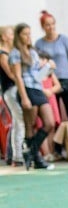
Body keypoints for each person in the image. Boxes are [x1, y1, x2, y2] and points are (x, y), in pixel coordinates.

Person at [10, 23, 58, 170]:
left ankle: (30, 152)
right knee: (30, 124)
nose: (28, 37)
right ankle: (37, 159)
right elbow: (18, 76)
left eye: (29, 33)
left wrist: (48, 67)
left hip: (38, 87)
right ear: (18, 36)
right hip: (26, 88)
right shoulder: (16, 53)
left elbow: (38, 73)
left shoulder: (33, 52)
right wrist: (24, 97)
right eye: (25, 34)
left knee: (49, 122)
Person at [35, 11, 68, 122]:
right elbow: (37, 63)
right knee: (55, 114)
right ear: (43, 27)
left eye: (52, 24)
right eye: (47, 25)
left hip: (66, 79)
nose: (51, 27)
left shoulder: (64, 40)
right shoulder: (39, 43)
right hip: (49, 81)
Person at [1, 25, 27, 166]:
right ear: (4, 37)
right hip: (10, 91)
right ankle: (17, 154)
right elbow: (11, 74)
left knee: (17, 121)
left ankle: (15, 154)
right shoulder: (3, 54)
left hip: (15, 89)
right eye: (10, 34)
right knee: (19, 120)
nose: (13, 36)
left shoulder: (12, 53)